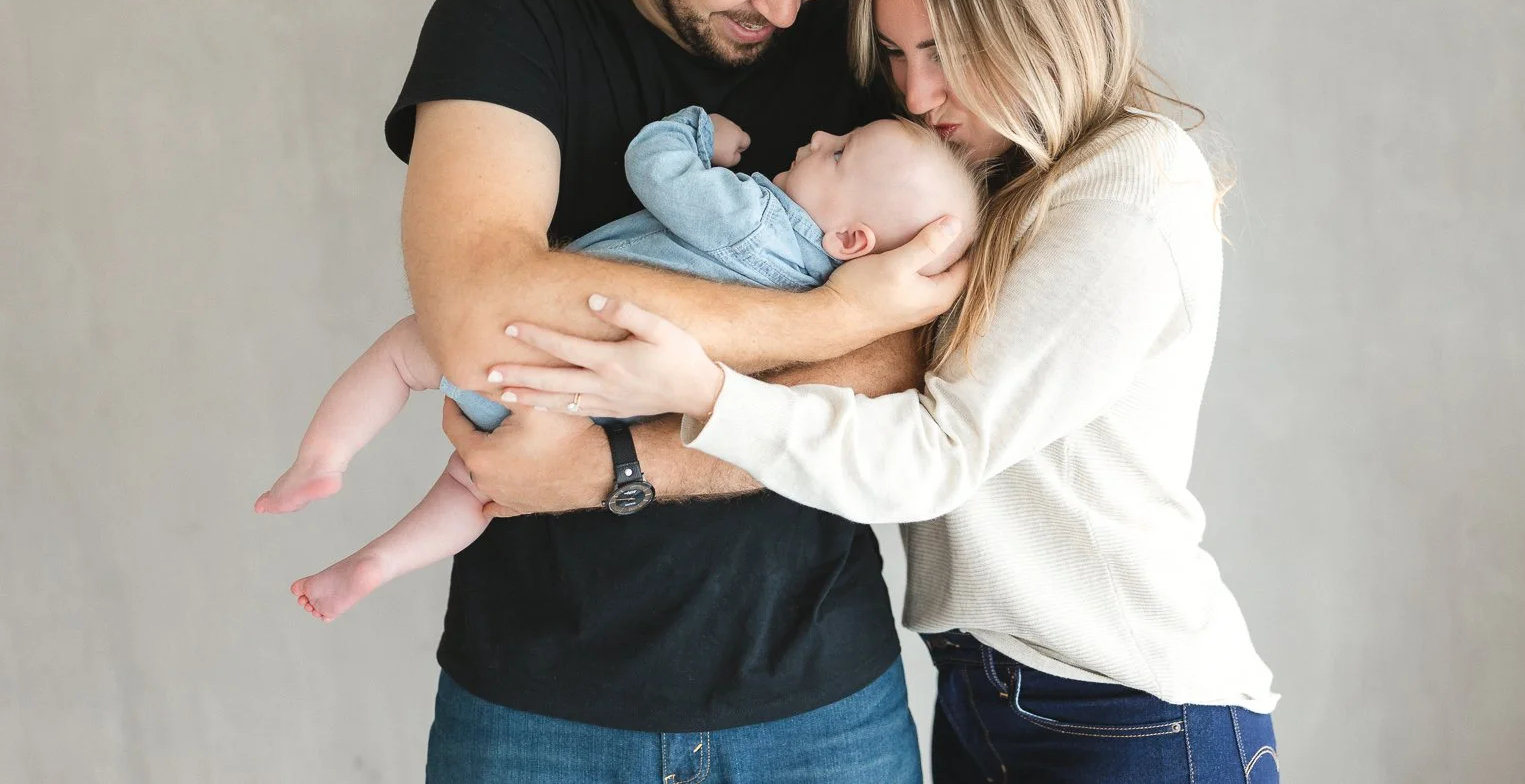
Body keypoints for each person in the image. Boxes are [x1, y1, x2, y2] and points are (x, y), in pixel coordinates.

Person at [480, 0, 1283, 783]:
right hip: (989, 694)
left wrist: (704, 394)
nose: (913, 94)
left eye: (943, 50)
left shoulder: (1132, 184)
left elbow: (937, 452)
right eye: (899, 56)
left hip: (1132, 706)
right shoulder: (995, 183)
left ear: (1041, 22)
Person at [378, 0, 970, 780]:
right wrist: (825, 319)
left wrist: (615, 464)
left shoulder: (861, 56)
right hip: (534, 707)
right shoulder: (510, 18)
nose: (786, 8)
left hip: (822, 702)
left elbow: (912, 367)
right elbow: (475, 315)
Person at [257, 105, 982, 623]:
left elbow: (655, 167)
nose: (820, 133)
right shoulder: (810, 296)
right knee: (475, 489)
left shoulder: (754, 214)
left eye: (841, 152)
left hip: (526, 341)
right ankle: (377, 562)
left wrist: (701, 131)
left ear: (853, 237)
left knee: (402, 351)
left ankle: (324, 452)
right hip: (579, 413)